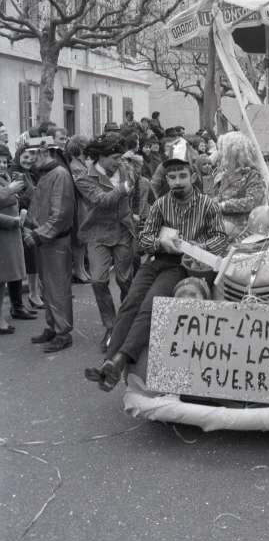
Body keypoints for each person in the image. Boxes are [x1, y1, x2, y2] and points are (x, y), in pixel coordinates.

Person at [84, 142, 227, 391]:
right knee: (129, 303)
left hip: (183, 265)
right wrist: (160, 242)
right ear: (167, 180)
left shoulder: (208, 205)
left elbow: (220, 239)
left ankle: (119, 361)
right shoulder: (161, 204)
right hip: (158, 259)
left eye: (182, 176)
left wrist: (197, 245)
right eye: (172, 177)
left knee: (150, 305)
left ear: (193, 177)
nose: (177, 182)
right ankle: (108, 361)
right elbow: (144, 239)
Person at [74, 135, 136, 353]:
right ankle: (111, 326)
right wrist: (122, 188)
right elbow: (101, 201)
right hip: (97, 233)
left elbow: (140, 190)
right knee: (98, 280)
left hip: (123, 231)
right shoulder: (83, 178)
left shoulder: (126, 170)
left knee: (125, 280)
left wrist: (137, 213)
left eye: (120, 157)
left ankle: (126, 325)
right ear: (101, 156)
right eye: (115, 157)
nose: (119, 161)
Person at [24, 137, 75, 352]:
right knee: (48, 287)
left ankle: (63, 332)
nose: (29, 159)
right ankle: (53, 326)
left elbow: (61, 214)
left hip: (55, 241)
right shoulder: (47, 174)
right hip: (46, 240)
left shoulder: (59, 175)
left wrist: (38, 235)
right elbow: (37, 205)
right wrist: (30, 227)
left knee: (58, 288)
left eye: (32, 154)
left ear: (45, 152)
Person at [9, 145, 45, 308]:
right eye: (25, 157)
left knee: (33, 257)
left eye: (32, 157)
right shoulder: (15, 174)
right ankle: (31, 296)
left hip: (32, 220)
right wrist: (33, 194)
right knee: (28, 259)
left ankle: (35, 293)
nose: (29, 160)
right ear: (18, 156)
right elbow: (15, 200)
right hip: (21, 221)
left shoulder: (30, 173)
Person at [214, 131, 267, 240]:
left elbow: (252, 202)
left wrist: (223, 205)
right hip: (222, 223)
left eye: (222, 150)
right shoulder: (225, 175)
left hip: (243, 229)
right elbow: (220, 198)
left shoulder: (253, 175)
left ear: (233, 154)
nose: (219, 154)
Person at [0, 143, 29, 334]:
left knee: (3, 280)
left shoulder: (5, 177)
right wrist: (10, 190)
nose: (3, 165)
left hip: (8, 236)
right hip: (4, 234)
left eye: (4, 161)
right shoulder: (6, 182)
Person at [66, 136, 91, 284]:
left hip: (84, 204)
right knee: (79, 239)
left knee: (82, 239)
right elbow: (83, 187)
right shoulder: (75, 165)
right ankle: (78, 270)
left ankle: (81, 269)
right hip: (80, 203)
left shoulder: (81, 163)